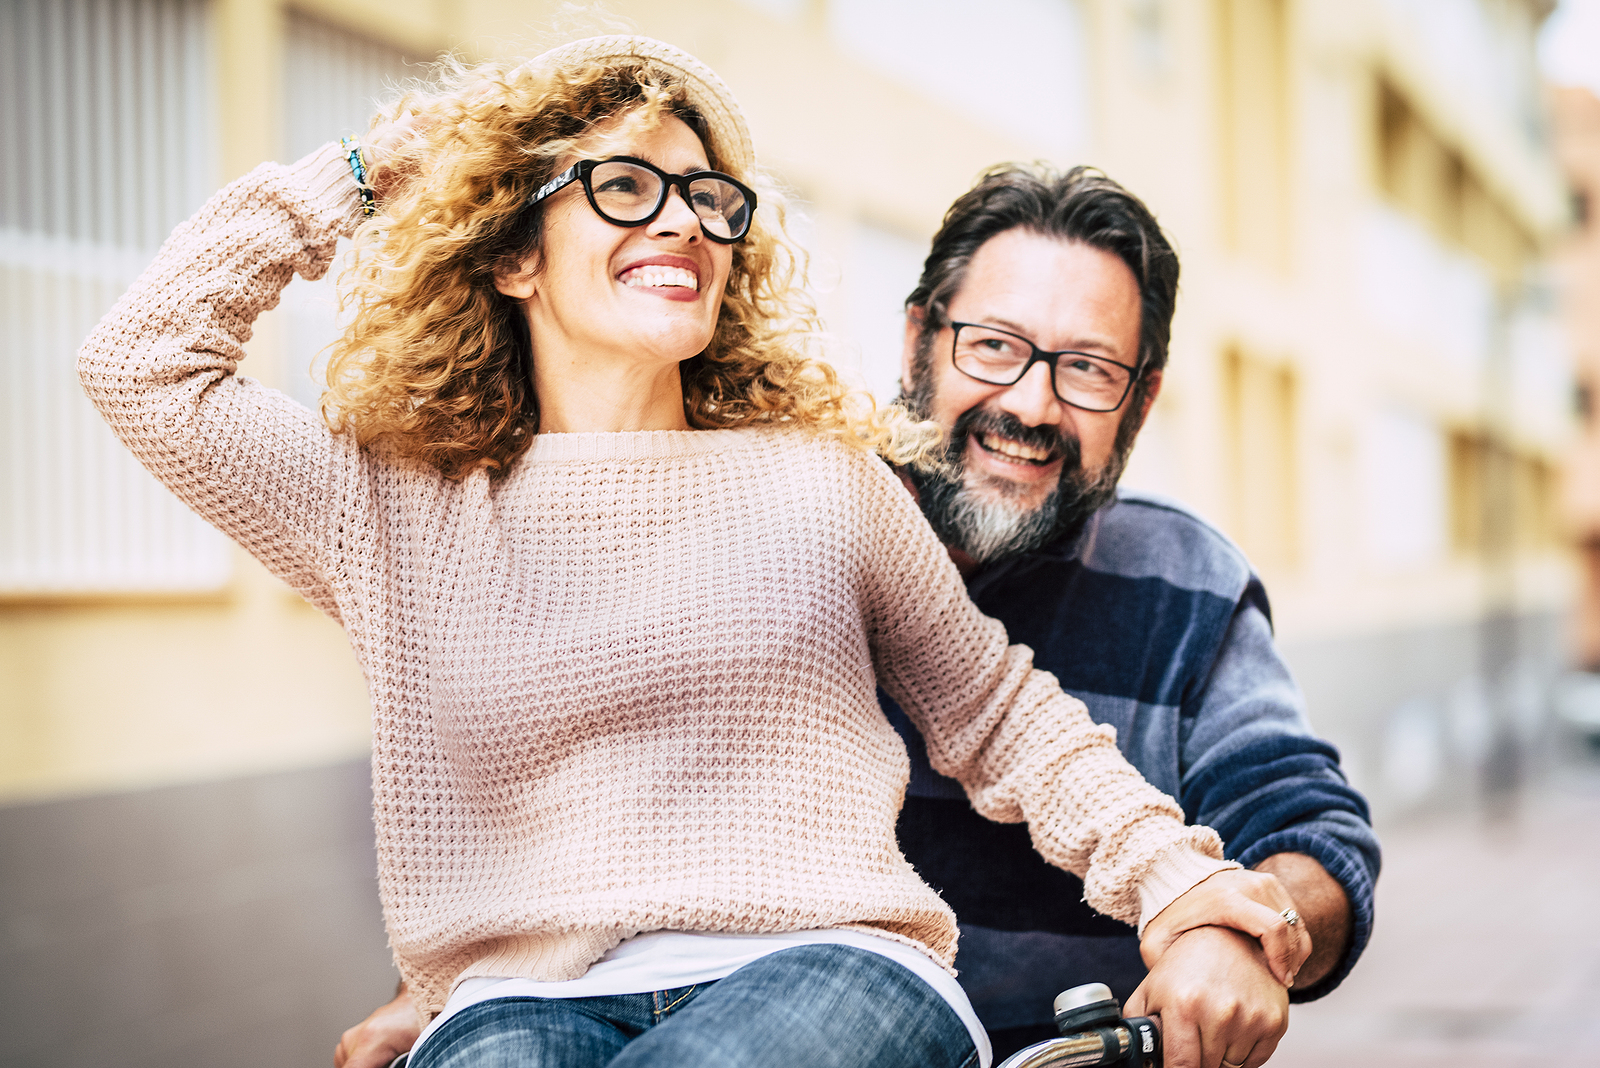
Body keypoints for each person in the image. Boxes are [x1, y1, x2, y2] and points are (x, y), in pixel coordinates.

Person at [81, 35, 1310, 1068]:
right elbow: (141, 366)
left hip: (838, 976)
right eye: (624, 185)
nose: (683, 219)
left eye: (706, 197)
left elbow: (1000, 715)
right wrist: (362, 172)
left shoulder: (820, 479)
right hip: (514, 1004)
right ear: (513, 252)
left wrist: (1176, 883)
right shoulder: (391, 504)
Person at [885, 164, 1381, 1061]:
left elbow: (1309, 832)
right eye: (994, 345)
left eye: (1086, 369)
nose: (1031, 405)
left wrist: (1233, 933)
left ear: (1142, 402)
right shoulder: (799, 521)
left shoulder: (1190, 583)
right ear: (920, 336)